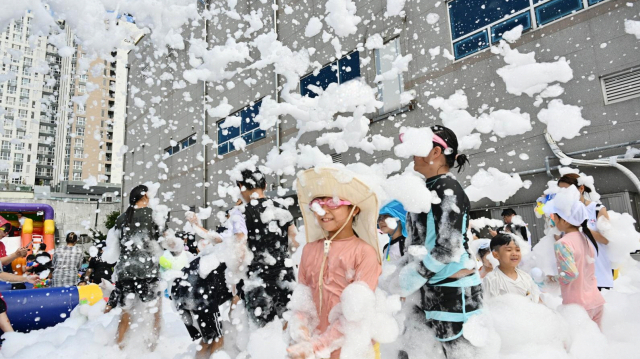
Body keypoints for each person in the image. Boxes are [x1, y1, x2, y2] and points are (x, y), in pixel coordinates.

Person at [397, 125, 482, 356]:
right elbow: (418, 242)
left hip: (453, 292)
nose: (413, 153)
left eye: (418, 147)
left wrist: (413, 276)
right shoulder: (427, 187)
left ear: (436, 152)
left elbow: (449, 247)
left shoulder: (446, 186)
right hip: (433, 287)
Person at [287, 167, 382, 359]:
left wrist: (317, 345)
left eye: (334, 202)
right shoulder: (309, 250)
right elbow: (304, 299)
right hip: (315, 348)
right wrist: (300, 326)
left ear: (354, 209)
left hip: (353, 349)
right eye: (317, 204)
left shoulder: (364, 252)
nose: (324, 210)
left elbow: (355, 316)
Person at [234, 168, 298, 327]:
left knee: (261, 333)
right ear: (266, 185)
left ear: (241, 186)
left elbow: (240, 251)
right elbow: (295, 244)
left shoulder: (241, 213)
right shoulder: (282, 209)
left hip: (257, 279)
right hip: (285, 276)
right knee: (287, 327)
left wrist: (235, 281)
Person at [106, 184, 162, 350]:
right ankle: (153, 348)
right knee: (154, 311)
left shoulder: (122, 218)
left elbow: (114, 248)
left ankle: (119, 347)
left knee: (126, 312)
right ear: (145, 196)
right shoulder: (154, 215)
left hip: (125, 271)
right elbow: (162, 242)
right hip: (147, 270)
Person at [172, 219, 234, 359]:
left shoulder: (211, 253)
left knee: (209, 338)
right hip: (199, 293)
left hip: (180, 290)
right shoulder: (234, 257)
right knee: (218, 337)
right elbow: (235, 305)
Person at [544, 191, 605, 327]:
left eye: (555, 217)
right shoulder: (586, 238)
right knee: (596, 343)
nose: (553, 220)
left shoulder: (562, 244)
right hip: (596, 301)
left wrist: (552, 279)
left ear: (564, 220)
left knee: (577, 345)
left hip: (578, 306)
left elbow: (570, 274)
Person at [557, 173, 613, 291]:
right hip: (577, 274)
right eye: (561, 192)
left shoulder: (597, 209)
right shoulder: (564, 213)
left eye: (567, 190)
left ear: (581, 188)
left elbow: (608, 240)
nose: (565, 195)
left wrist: (583, 227)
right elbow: (561, 241)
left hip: (599, 273)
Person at [0, 218, 39, 340]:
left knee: (1, 312)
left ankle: (13, 342)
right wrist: (15, 255)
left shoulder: (1, 245)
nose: (6, 233)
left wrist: (25, 278)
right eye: (4, 229)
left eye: (8, 231)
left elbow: (0, 274)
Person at [482, 234, 540, 303]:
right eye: (509, 250)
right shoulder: (491, 279)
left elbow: (536, 301)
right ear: (496, 255)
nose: (514, 253)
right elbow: (488, 306)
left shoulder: (526, 277)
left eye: (517, 250)